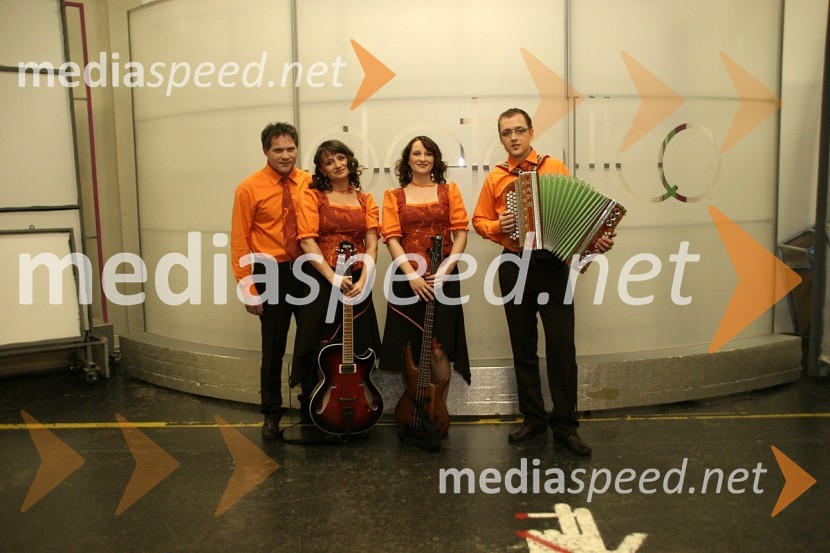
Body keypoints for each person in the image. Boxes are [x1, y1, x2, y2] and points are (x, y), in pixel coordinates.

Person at [472, 108, 614, 456]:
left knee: (562, 347)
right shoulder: (496, 178)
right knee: (523, 346)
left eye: (519, 130)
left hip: (552, 266)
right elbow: (479, 220)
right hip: (514, 263)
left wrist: (596, 241)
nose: (514, 137)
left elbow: (577, 214)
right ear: (501, 138)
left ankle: (565, 424)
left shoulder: (555, 168)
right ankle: (533, 418)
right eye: (507, 133)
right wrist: (497, 226)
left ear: (531, 132)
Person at [230, 122, 312, 440]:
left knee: (310, 345)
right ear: (266, 151)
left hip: (307, 270)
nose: (285, 155)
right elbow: (240, 241)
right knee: (273, 349)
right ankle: (271, 415)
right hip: (270, 272)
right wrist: (247, 287)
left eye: (290, 149)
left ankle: (310, 410)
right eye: (278, 150)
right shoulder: (248, 188)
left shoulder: (309, 182)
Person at [291, 140, 383, 421]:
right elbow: (307, 241)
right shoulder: (313, 197)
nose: (337, 165)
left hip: (356, 280)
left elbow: (372, 245)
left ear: (349, 161)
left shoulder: (366, 200)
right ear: (321, 170)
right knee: (317, 342)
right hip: (321, 278)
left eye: (340, 158)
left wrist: (364, 280)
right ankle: (314, 412)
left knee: (357, 345)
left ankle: (353, 409)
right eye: (329, 162)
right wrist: (332, 277)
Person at [380, 136, 471, 395]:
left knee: (439, 348)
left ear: (435, 159)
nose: (422, 158)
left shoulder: (449, 191)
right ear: (407, 160)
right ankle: (414, 410)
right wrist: (412, 276)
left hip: (444, 277)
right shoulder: (393, 196)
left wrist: (445, 272)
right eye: (417, 153)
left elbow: (460, 235)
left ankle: (437, 410)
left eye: (428, 153)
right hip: (407, 279)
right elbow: (392, 239)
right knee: (410, 348)